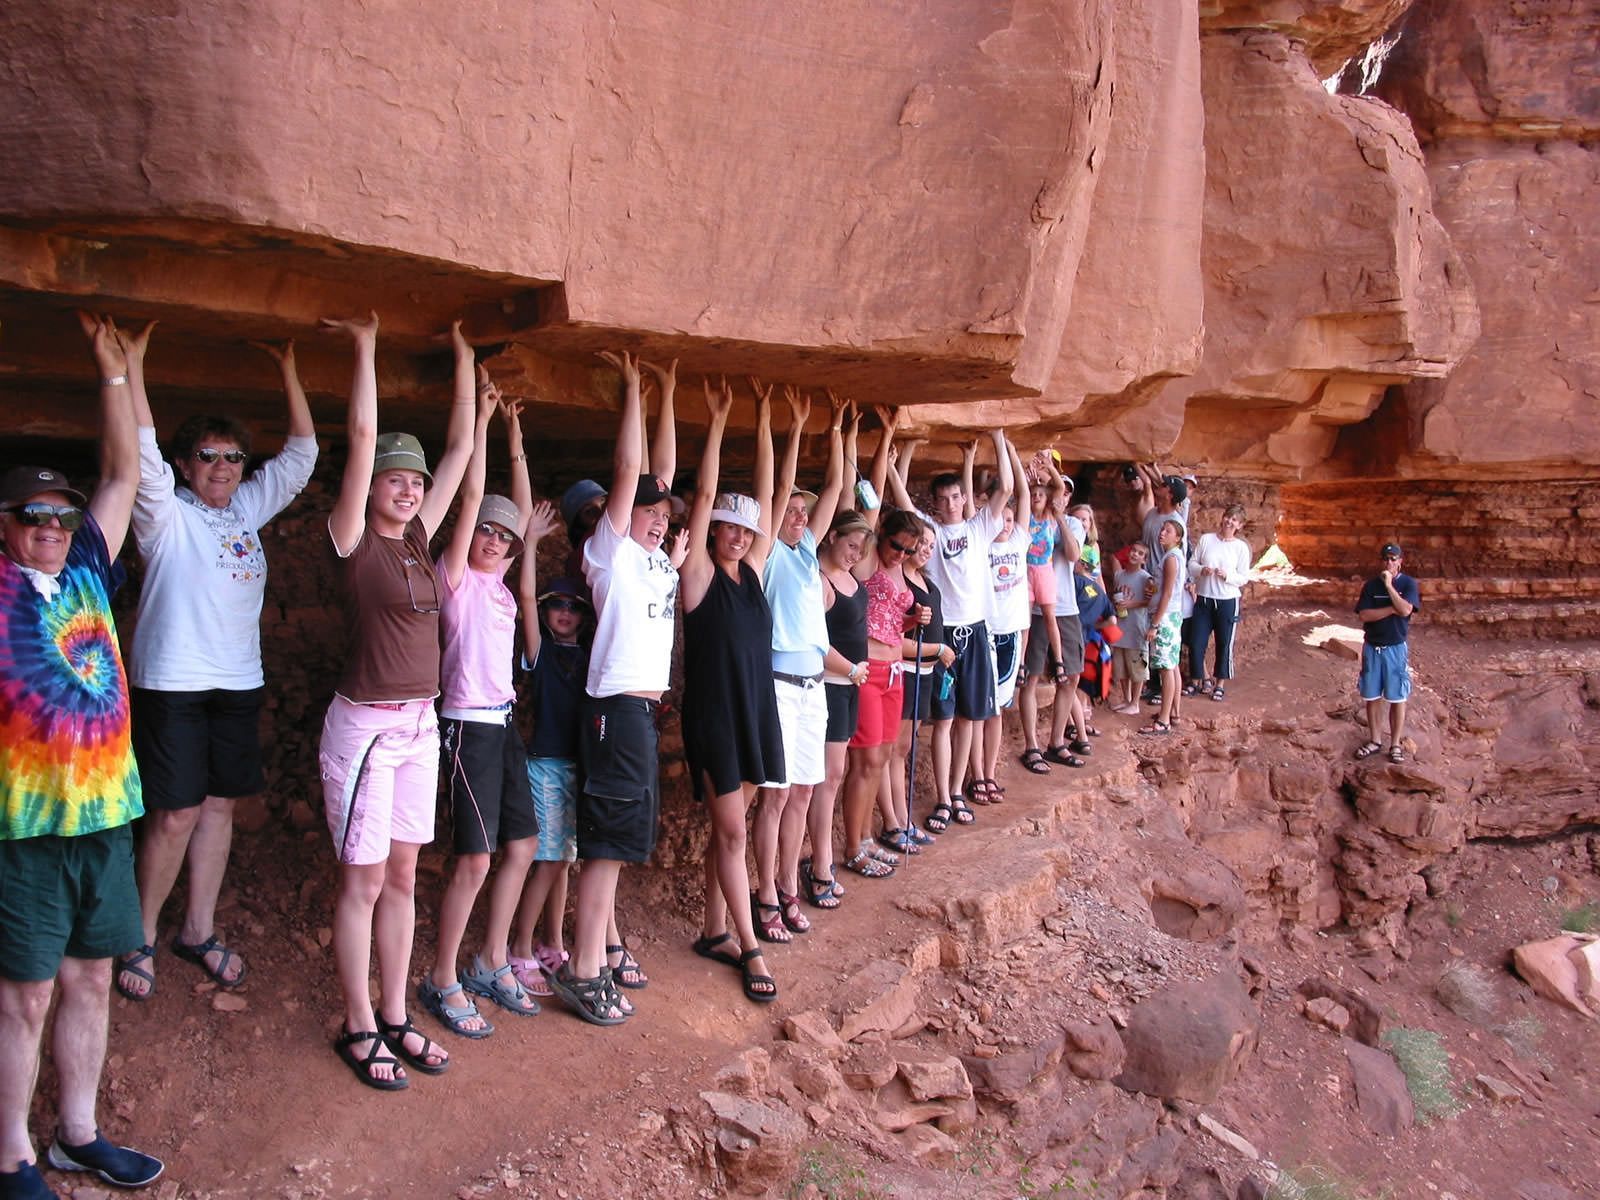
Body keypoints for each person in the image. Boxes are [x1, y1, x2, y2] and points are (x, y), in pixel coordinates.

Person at [1, 312, 163, 1196]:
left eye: (59, 515)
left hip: (104, 813)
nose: (51, 526)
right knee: (24, 994)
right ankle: (11, 1156)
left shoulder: (92, 569)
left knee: (91, 979)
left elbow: (124, 473)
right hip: (23, 825)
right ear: (5, 523)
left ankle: (76, 1134)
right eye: (32, 515)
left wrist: (114, 373)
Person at [114, 331, 317, 1004]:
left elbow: (301, 457)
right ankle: (139, 933)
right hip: (173, 685)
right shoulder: (165, 517)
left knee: (219, 807)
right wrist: (134, 367)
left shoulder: (246, 513)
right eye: (209, 456)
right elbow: (139, 458)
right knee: (174, 814)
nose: (225, 466)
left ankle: (196, 930)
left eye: (233, 457)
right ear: (185, 463)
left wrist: (290, 370)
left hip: (237, 683)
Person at [317, 313, 476, 1090]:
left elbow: (459, 454)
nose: (409, 489)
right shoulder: (356, 538)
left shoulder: (417, 539)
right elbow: (360, 433)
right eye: (394, 479)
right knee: (364, 881)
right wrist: (369, 347)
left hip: (419, 727)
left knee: (406, 877)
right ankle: (357, 1024)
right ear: (371, 487)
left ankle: (394, 1012)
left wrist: (465, 360)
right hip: (368, 732)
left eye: (412, 482)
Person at [549, 351, 680, 1026]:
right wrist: (633, 388)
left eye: (664, 516)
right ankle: (582, 970)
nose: (657, 519)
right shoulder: (611, 555)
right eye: (647, 514)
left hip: (639, 714)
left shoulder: (657, 560)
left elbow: (661, 478)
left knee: (620, 844)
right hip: (614, 711)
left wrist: (671, 391)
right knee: (604, 846)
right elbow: (633, 475)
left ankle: (592, 961)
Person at [423, 384, 541, 1036]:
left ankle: (490, 960)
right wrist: (482, 420)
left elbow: (516, 514)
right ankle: (442, 978)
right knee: (474, 859)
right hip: (466, 725)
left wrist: (518, 439)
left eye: (503, 535)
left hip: (504, 723)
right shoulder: (457, 578)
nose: (492, 539)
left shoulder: (498, 586)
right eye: (486, 532)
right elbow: (472, 499)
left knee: (522, 842)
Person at [680, 379, 785, 1003]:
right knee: (733, 834)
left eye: (746, 532)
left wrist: (767, 418)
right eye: (729, 529)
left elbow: (768, 496)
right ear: (714, 530)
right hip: (716, 718)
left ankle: (715, 929)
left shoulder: (753, 573)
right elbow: (705, 497)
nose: (740, 537)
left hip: (756, 712)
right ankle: (749, 946)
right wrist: (719, 421)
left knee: (733, 829)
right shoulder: (696, 573)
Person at [752, 387, 847, 940]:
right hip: (780, 683)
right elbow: (783, 488)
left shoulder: (809, 551)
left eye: (801, 513)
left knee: (805, 791)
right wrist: (781, 424)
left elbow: (833, 489)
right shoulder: (769, 554)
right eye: (789, 511)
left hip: (815, 685)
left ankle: (788, 885)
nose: (796, 515)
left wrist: (837, 432)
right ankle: (764, 892)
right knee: (778, 794)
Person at [883, 427, 1013, 814]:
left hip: (974, 629)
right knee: (942, 719)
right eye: (944, 499)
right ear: (936, 505)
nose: (952, 503)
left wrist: (998, 436)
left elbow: (1005, 486)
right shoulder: (932, 533)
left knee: (971, 717)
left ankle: (957, 791)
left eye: (956, 497)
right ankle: (943, 797)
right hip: (943, 634)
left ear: (964, 497)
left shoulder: (978, 528)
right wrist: (894, 466)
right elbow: (904, 502)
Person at [506, 558, 589, 998]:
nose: (564, 612)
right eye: (556, 605)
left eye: (574, 607)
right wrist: (532, 541)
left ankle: (550, 942)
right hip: (545, 764)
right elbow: (523, 598)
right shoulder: (541, 651)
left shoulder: (590, 656)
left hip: (576, 765)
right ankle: (519, 947)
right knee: (550, 858)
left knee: (564, 858)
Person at [806, 506, 873, 905]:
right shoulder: (818, 578)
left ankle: (821, 858)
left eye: (861, 548)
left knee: (834, 774)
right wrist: (849, 670)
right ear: (830, 536)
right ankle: (819, 865)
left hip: (849, 684)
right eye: (850, 544)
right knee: (828, 777)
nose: (855, 553)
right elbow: (814, 638)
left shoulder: (849, 576)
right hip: (831, 683)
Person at [970, 435, 1031, 805]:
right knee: (981, 708)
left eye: (1010, 518)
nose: (1006, 522)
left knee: (996, 711)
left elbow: (1022, 495)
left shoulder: (1019, 541)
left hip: (1011, 634)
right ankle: (975, 775)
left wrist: (1011, 450)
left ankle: (989, 772)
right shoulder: (979, 542)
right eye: (1001, 517)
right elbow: (984, 503)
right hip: (986, 631)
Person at [889, 516, 952, 840]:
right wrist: (936, 647)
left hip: (925, 672)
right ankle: (896, 821)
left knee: (905, 747)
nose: (925, 549)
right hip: (907, 670)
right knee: (896, 750)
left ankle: (903, 819)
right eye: (920, 543)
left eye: (930, 544)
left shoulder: (927, 581)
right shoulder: (900, 581)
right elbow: (890, 631)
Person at [1354, 543, 1420, 763]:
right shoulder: (1371, 586)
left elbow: (1406, 610)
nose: (1389, 563)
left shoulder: (1408, 584)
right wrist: (1391, 609)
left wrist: (1390, 586)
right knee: (1372, 696)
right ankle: (1374, 740)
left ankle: (1395, 744)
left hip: (1395, 648)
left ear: (1401, 561)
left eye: (1393, 558)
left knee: (1397, 697)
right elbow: (1364, 615)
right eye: (1386, 559)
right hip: (1373, 647)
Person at [1186, 504, 1251, 702]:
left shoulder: (1240, 548)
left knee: (1224, 643)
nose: (1229, 522)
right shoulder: (1207, 539)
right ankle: (1196, 680)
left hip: (1227, 601)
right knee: (1196, 642)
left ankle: (1219, 683)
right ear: (1222, 518)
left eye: (1234, 520)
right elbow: (1192, 564)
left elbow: (1243, 577)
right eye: (1227, 517)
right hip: (1204, 598)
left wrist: (1228, 576)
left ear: (1239, 525)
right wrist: (1201, 570)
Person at [1139, 518, 1186, 736]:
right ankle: (1173, 713)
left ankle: (1164, 719)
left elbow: (1167, 593)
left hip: (1165, 618)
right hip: (1172, 616)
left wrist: (1155, 623)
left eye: (1168, 531)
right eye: (1162, 529)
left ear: (1177, 538)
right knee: (1173, 666)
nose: (1162, 533)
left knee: (1166, 669)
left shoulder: (1171, 559)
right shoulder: (1173, 556)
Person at [1110, 543, 1154, 716]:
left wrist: (1132, 604)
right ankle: (1127, 700)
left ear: (1144, 560)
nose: (1135, 554)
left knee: (1138, 668)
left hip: (1137, 627)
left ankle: (1135, 702)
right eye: (1133, 551)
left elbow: (1151, 601)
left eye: (1140, 553)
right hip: (1122, 627)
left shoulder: (1146, 578)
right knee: (1121, 668)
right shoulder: (1119, 575)